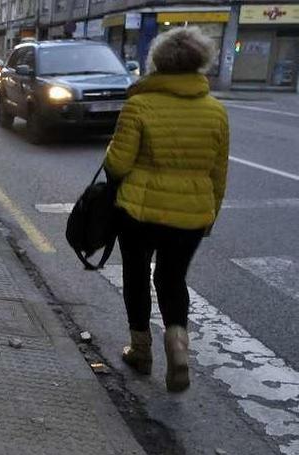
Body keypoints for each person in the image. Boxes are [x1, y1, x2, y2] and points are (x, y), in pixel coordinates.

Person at [104, 27, 230, 393]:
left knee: (137, 274)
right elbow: (218, 173)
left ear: (157, 62)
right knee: (173, 279)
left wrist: (112, 153)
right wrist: (210, 216)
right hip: (190, 215)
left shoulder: (140, 104)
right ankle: (177, 344)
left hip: (139, 212)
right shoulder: (216, 111)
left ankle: (140, 350)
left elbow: (117, 165)